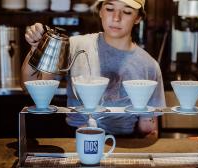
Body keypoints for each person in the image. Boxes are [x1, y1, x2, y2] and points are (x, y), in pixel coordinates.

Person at [21, 0, 166, 138]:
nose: (116, 18)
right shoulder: (74, 46)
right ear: (100, 11)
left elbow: (148, 127)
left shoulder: (149, 65)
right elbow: (31, 85)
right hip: (75, 138)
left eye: (127, 12)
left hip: (123, 142)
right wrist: (36, 49)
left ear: (138, 18)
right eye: (109, 9)